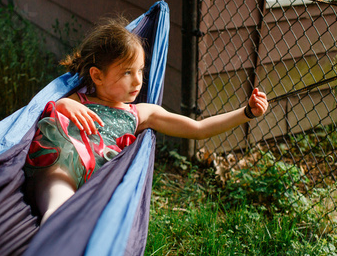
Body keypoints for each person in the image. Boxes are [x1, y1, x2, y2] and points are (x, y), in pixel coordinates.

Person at [24, 18, 268, 225]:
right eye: (127, 73)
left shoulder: (142, 113)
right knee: (59, 193)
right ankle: (53, 225)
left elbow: (199, 129)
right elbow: (49, 115)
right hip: (64, 161)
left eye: (140, 70)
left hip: (99, 180)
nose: (138, 81)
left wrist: (245, 113)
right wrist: (64, 104)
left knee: (77, 207)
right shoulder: (78, 98)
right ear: (97, 76)